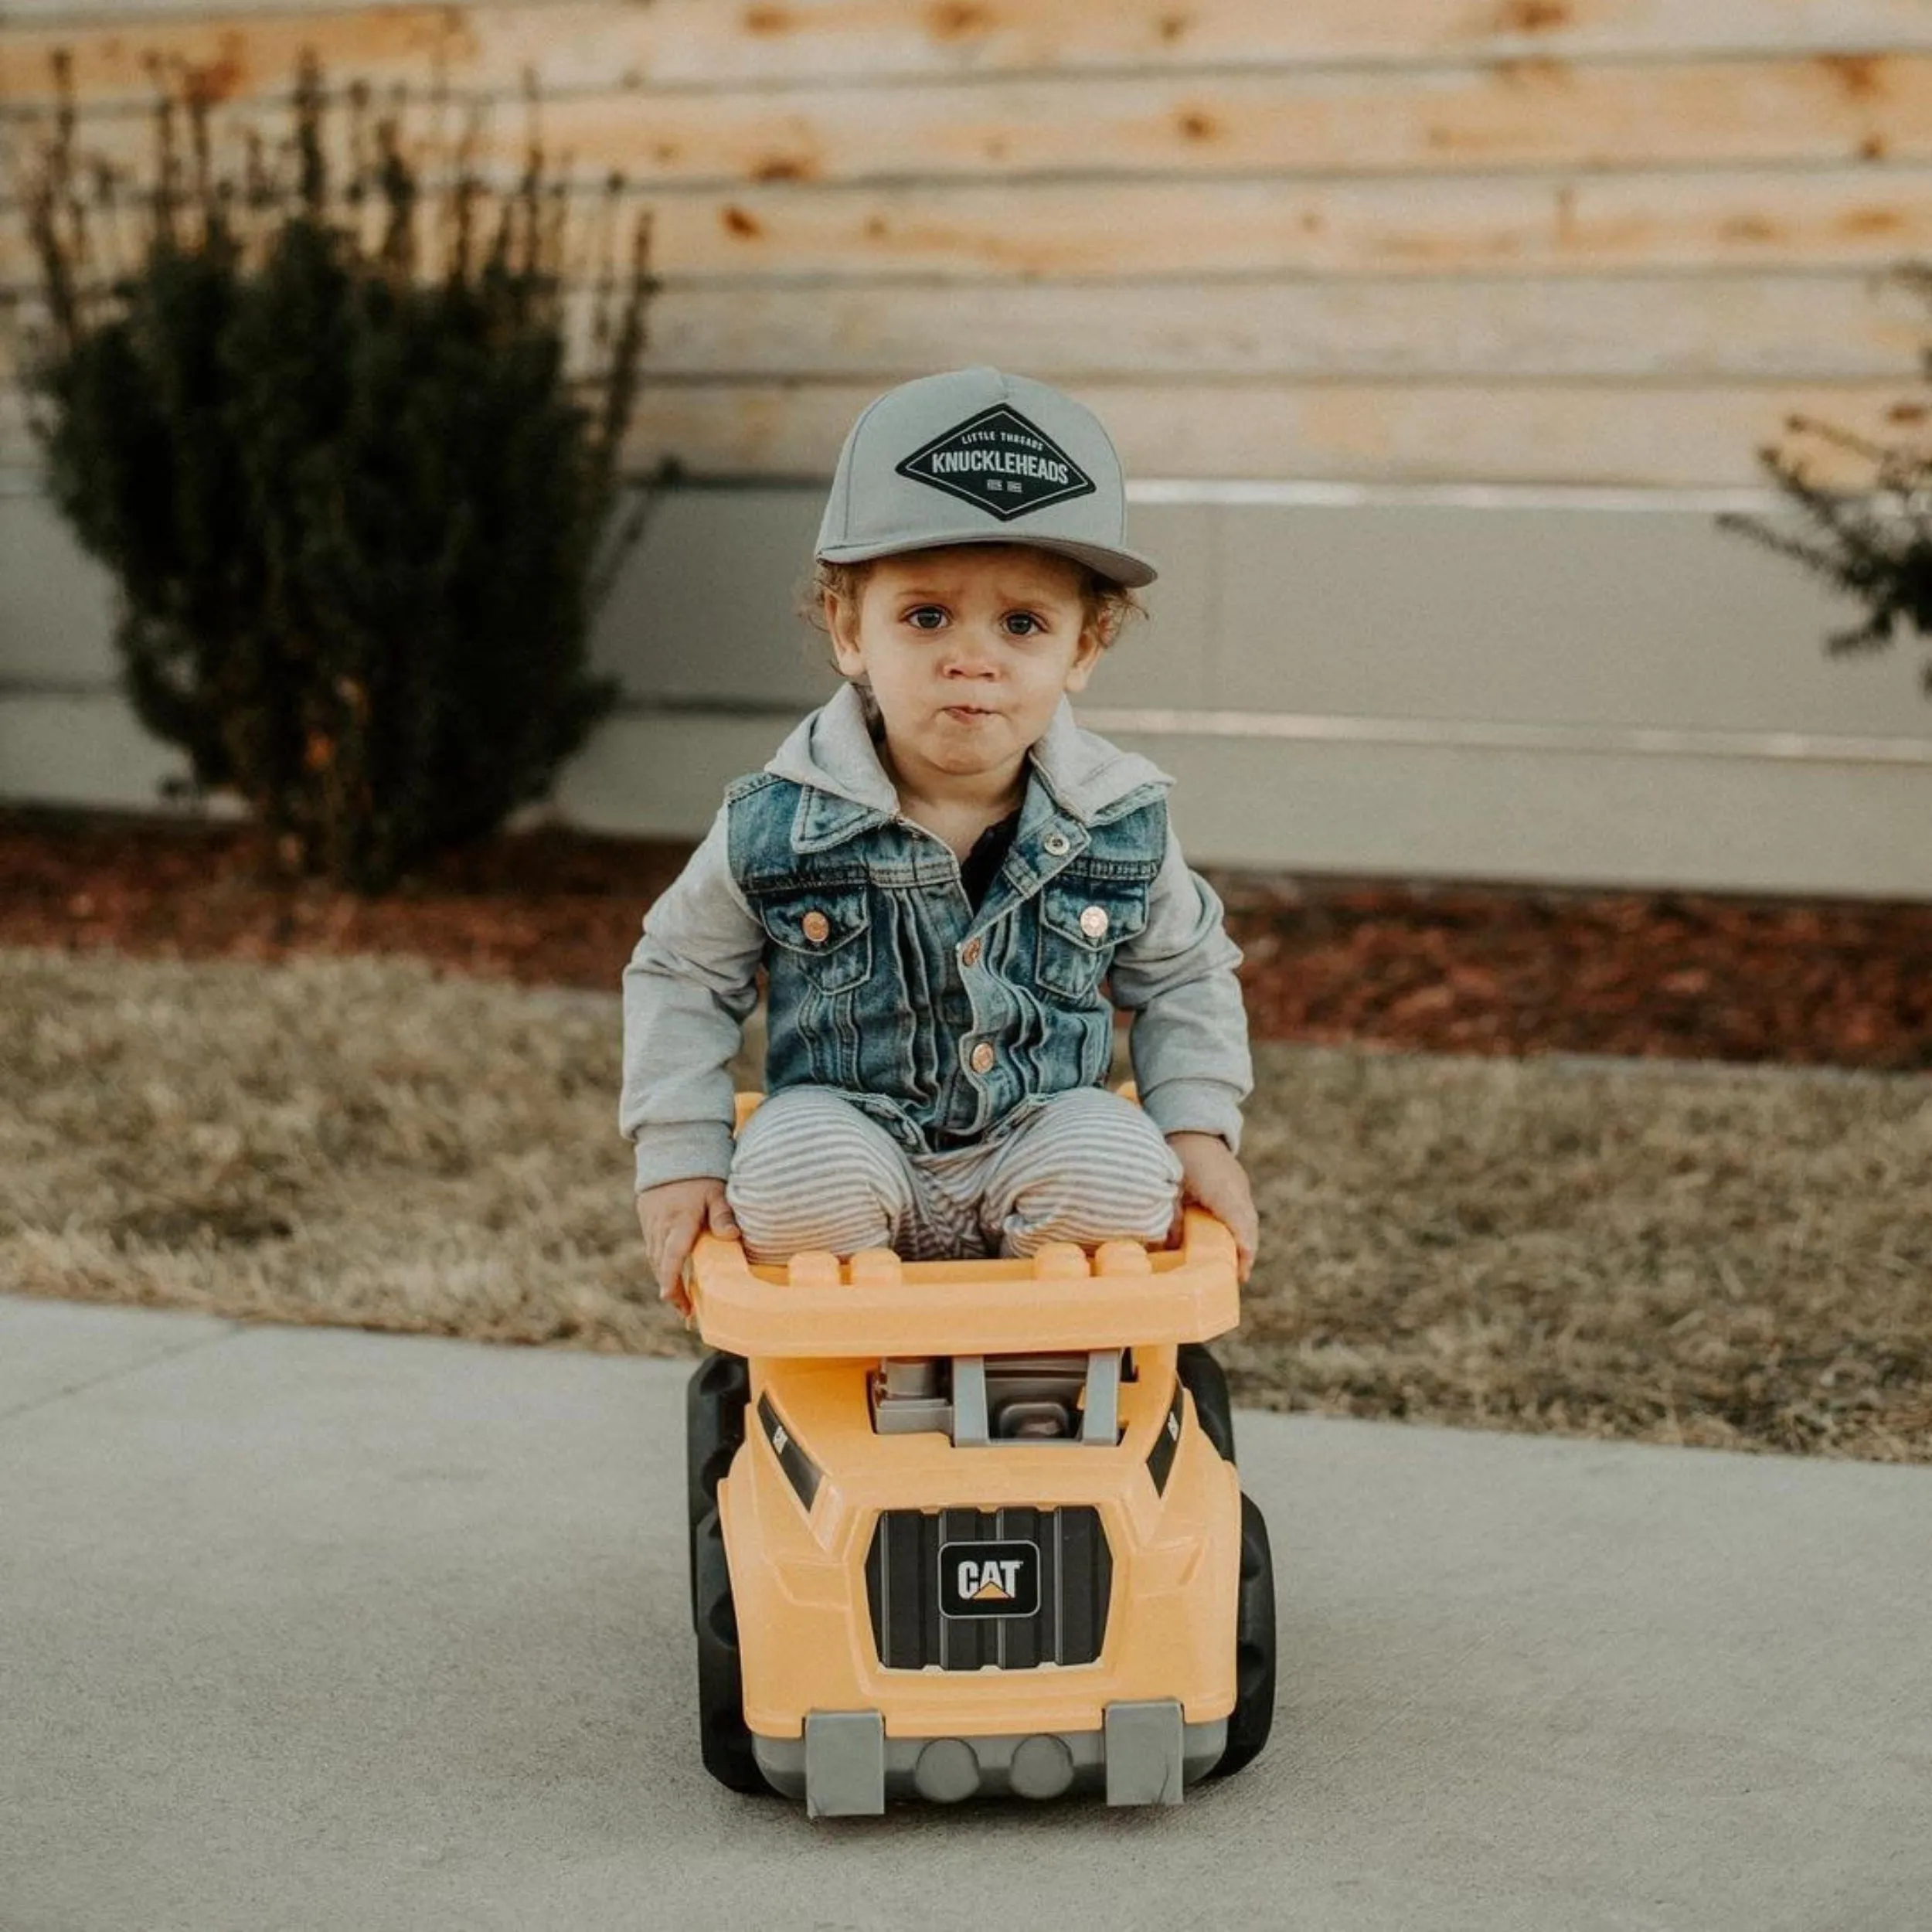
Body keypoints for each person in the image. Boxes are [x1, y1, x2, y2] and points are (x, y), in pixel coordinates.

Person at [620, 366, 1256, 1315]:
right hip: (853, 1141)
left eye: (1023, 622)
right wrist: (678, 1156)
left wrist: (1196, 1127)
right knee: (782, 1175)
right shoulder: (776, 820)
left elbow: (1184, 974)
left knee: (1127, 1171)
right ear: (848, 629)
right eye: (925, 616)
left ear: (1083, 647)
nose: (973, 656)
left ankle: (1036, 1357)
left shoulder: (1117, 820)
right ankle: (865, 1366)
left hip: (1033, 1139)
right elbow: (681, 970)